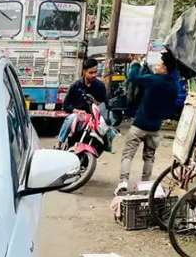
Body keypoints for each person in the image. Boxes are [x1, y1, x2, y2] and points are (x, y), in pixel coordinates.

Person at [115, 51, 178, 195]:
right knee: (149, 157)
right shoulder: (173, 86)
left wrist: (136, 63)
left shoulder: (153, 80)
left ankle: (123, 183)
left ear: (165, 68)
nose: (157, 66)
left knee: (128, 155)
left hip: (139, 125)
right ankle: (144, 185)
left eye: (160, 64)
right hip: (155, 128)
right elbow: (171, 109)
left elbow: (133, 77)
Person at [57, 58, 107, 147]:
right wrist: (76, 111)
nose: (94, 75)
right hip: (78, 119)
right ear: (84, 72)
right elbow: (66, 105)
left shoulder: (100, 86)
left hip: (94, 120)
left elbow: (105, 105)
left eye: (95, 72)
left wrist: (95, 103)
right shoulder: (75, 86)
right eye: (91, 73)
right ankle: (59, 144)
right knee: (71, 118)